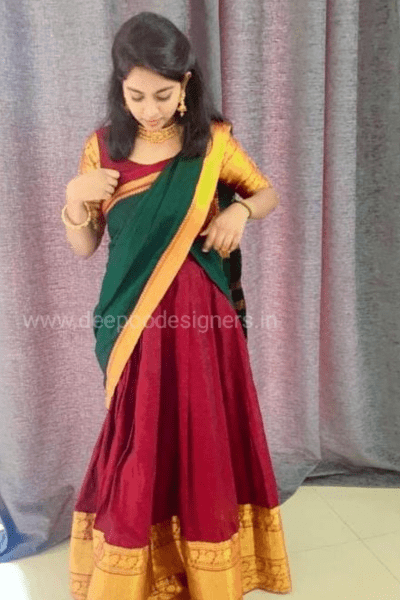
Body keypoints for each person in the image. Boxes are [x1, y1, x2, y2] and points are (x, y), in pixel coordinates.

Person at [63, 11, 292, 600]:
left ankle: (211, 569)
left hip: (201, 322)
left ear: (186, 83)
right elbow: (85, 246)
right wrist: (74, 199)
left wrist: (240, 211)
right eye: (136, 95)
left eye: (163, 95)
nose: (150, 109)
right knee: (141, 439)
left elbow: (265, 192)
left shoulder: (212, 142)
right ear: (120, 87)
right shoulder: (101, 149)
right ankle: (138, 570)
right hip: (133, 321)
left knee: (203, 433)